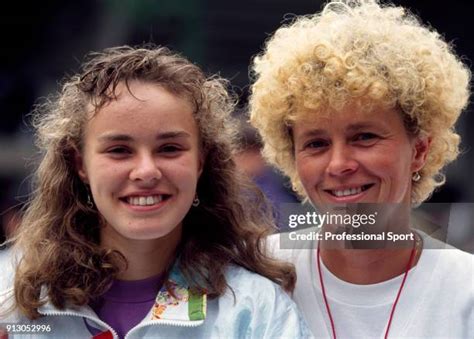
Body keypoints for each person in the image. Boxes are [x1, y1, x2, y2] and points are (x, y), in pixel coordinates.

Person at [0, 45, 311, 338]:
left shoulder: (255, 309)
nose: (147, 171)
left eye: (169, 148)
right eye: (120, 150)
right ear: (80, 163)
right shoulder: (12, 307)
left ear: (201, 161)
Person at [249, 0, 473, 338]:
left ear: (420, 150)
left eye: (364, 137)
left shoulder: (466, 293)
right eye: (316, 144)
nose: (339, 165)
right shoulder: (256, 276)